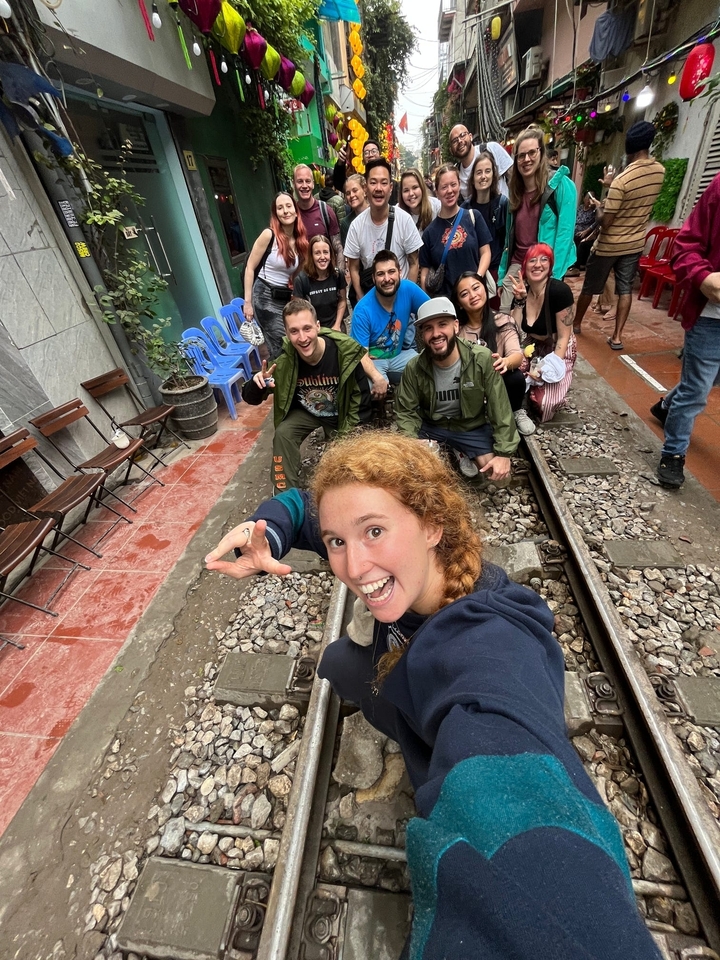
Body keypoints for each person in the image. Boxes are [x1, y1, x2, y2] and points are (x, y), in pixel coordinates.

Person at [205, 435, 660, 960]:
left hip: (427, 707)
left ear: (431, 526)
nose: (353, 567)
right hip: (406, 685)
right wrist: (271, 531)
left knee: (340, 663)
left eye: (375, 532)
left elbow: (523, 814)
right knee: (335, 661)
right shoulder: (406, 566)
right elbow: (303, 508)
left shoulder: (487, 646)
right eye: (337, 542)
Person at [240, 299, 386, 493]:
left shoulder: (344, 354)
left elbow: (361, 407)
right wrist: (257, 384)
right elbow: (251, 398)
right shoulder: (285, 360)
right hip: (308, 413)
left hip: (340, 414)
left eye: (307, 328)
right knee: (284, 433)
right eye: (294, 331)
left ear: (318, 327)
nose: (302, 338)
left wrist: (341, 444)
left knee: (346, 469)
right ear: (287, 333)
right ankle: (285, 495)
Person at [396, 296, 518, 480]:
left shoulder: (482, 359)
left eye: (442, 324)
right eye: (428, 328)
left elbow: (499, 406)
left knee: (499, 478)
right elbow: (405, 410)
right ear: (422, 335)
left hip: (470, 427)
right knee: (416, 474)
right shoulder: (414, 367)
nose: (436, 333)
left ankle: (459, 449)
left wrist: (504, 453)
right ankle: (448, 448)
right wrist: (411, 440)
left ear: (455, 326)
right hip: (432, 425)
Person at [652, 172, 720, 488]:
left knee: (702, 383)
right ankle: (674, 454)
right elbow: (685, 246)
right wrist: (703, 277)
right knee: (696, 391)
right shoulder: (718, 188)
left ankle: (667, 406)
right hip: (711, 316)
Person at [573, 122, 665, 347]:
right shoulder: (659, 172)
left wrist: (600, 203)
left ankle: (575, 324)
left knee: (590, 286)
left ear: (629, 146)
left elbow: (606, 221)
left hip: (609, 245)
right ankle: (617, 336)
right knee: (625, 289)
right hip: (634, 243)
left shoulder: (622, 181)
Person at [498, 127, 577, 313]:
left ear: (541, 153)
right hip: (518, 266)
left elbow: (565, 235)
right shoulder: (515, 193)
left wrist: (554, 277)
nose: (526, 159)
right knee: (506, 321)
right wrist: (503, 276)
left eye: (532, 152)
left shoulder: (561, 186)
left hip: (544, 265)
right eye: (521, 155)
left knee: (542, 324)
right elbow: (509, 242)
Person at [453, 272, 534, 436]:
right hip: (469, 386)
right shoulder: (457, 329)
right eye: (464, 294)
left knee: (515, 377)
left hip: (497, 380)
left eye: (476, 288)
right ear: (459, 303)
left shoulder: (503, 321)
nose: (473, 295)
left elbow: (517, 355)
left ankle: (516, 410)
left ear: (485, 289)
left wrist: (505, 362)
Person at [509, 243, 576, 423]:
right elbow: (512, 330)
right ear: (525, 266)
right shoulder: (524, 291)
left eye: (544, 259)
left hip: (557, 347)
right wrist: (519, 301)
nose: (538, 265)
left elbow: (564, 336)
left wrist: (549, 367)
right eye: (532, 260)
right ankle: (532, 386)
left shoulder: (559, 291)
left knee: (543, 406)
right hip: (533, 346)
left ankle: (549, 388)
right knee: (510, 375)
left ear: (550, 265)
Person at [344, 158, 422, 301]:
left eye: (384, 183)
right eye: (373, 182)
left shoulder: (404, 220)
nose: (378, 188)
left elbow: (414, 262)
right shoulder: (356, 226)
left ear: (391, 188)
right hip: (373, 299)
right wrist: (363, 301)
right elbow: (353, 268)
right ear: (366, 188)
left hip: (401, 298)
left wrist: (406, 300)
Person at [243, 192, 308, 360]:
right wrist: (247, 302)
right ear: (275, 213)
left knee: (290, 339)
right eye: (280, 208)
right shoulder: (269, 235)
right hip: (264, 296)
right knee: (279, 343)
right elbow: (250, 267)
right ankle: (277, 381)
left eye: (288, 206)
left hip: (283, 297)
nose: (285, 211)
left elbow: (295, 272)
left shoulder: (298, 240)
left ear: (295, 210)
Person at [350, 249, 429, 384]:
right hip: (372, 361)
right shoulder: (362, 310)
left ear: (400, 273)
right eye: (380, 274)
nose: (387, 279)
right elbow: (360, 355)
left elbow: (432, 311)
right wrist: (377, 378)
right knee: (371, 387)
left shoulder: (408, 289)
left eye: (391, 272)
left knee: (429, 370)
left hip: (400, 355)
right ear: (374, 278)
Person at [419, 164, 492, 300]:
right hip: (446, 304)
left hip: (475, 298)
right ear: (437, 191)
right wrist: (428, 302)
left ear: (459, 185)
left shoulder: (473, 217)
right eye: (444, 187)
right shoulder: (429, 233)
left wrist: (477, 281)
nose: (450, 191)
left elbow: (485, 252)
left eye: (453, 184)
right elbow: (425, 273)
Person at [462, 151, 509, 281]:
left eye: (487, 171)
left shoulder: (502, 204)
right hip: (471, 272)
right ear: (472, 178)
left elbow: (508, 242)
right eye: (479, 172)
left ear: (493, 175)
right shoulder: (465, 209)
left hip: (496, 272)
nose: (483, 176)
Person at [292, 164, 344, 271]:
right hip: (301, 281)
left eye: (308, 181)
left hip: (325, 279)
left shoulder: (325, 211)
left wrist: (340, 277)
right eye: (300, 181)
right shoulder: (291, 214)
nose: (305, 185)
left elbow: (338, 248)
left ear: (312, 184)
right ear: (294, 184)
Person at [293, 235, 347, 331]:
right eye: (317, 253)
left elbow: (342, 301)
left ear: (331, 254)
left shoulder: (338, 275)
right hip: (313, 329)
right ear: (311, 256)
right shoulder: (301, 280)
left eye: (326, 252)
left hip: (336, 326)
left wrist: (337, 325)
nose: (322, 257)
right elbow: (298, 311)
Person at [448, 124, 512, 200]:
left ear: (470, 136)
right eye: (455, 141)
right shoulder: (456, 175)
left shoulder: (491, 149)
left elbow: (514, 178)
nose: (459, 141)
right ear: (451, 150)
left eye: (462, 135)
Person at [565, 192, 599, 278]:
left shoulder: (594, 211)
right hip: (574, 230)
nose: (588, 200)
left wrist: (586, 231)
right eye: (587, 198)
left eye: (590, 198)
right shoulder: (580, 208)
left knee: (580, 241)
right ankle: (567, 263)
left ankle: (575, 267)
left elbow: (596, 223)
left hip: (587, 233)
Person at [398, 168, 441, 233]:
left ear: (422, 188)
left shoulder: (436, 206)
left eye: (415, 187)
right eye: (406, 190)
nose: (411, 194)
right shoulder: (396, 214)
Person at [340, 173, 368, 246]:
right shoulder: (346, 223)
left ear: (365, 190)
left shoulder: (377, 214)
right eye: (348, 193)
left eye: (355, 190)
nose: (352, 195)